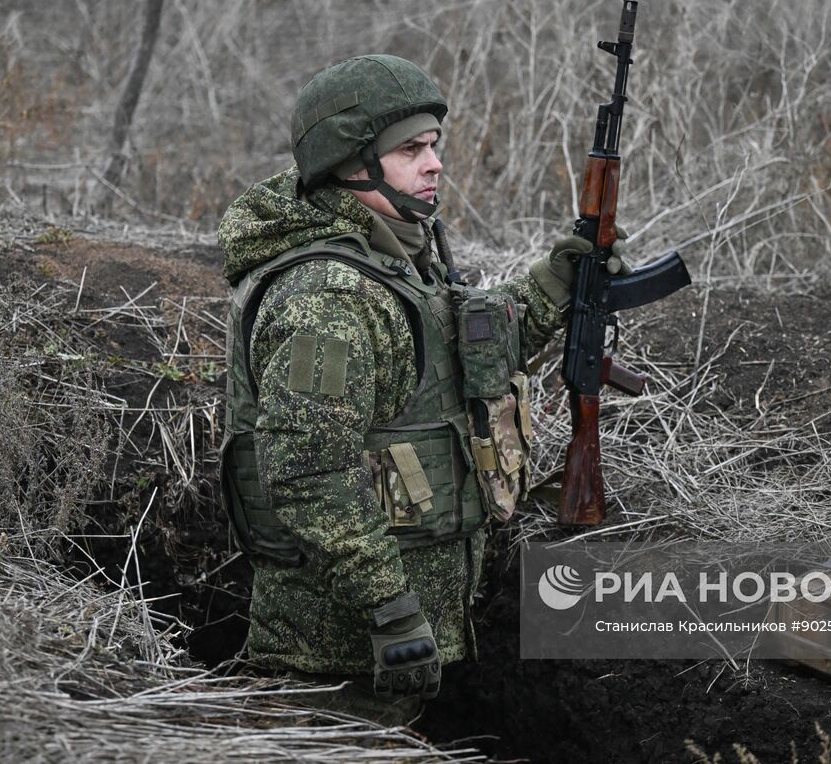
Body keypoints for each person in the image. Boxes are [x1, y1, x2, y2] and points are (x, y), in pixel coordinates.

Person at [215, 55, 625, 723]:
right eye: (411, 150)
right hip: (337, 660)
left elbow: (449, 359)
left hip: (393, 645)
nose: (435, 165)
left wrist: (555, 284)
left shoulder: (392, 254)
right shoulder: (326, 297)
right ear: (349, 165)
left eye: (434, 145)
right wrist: (391, 608)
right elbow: (309, 473)